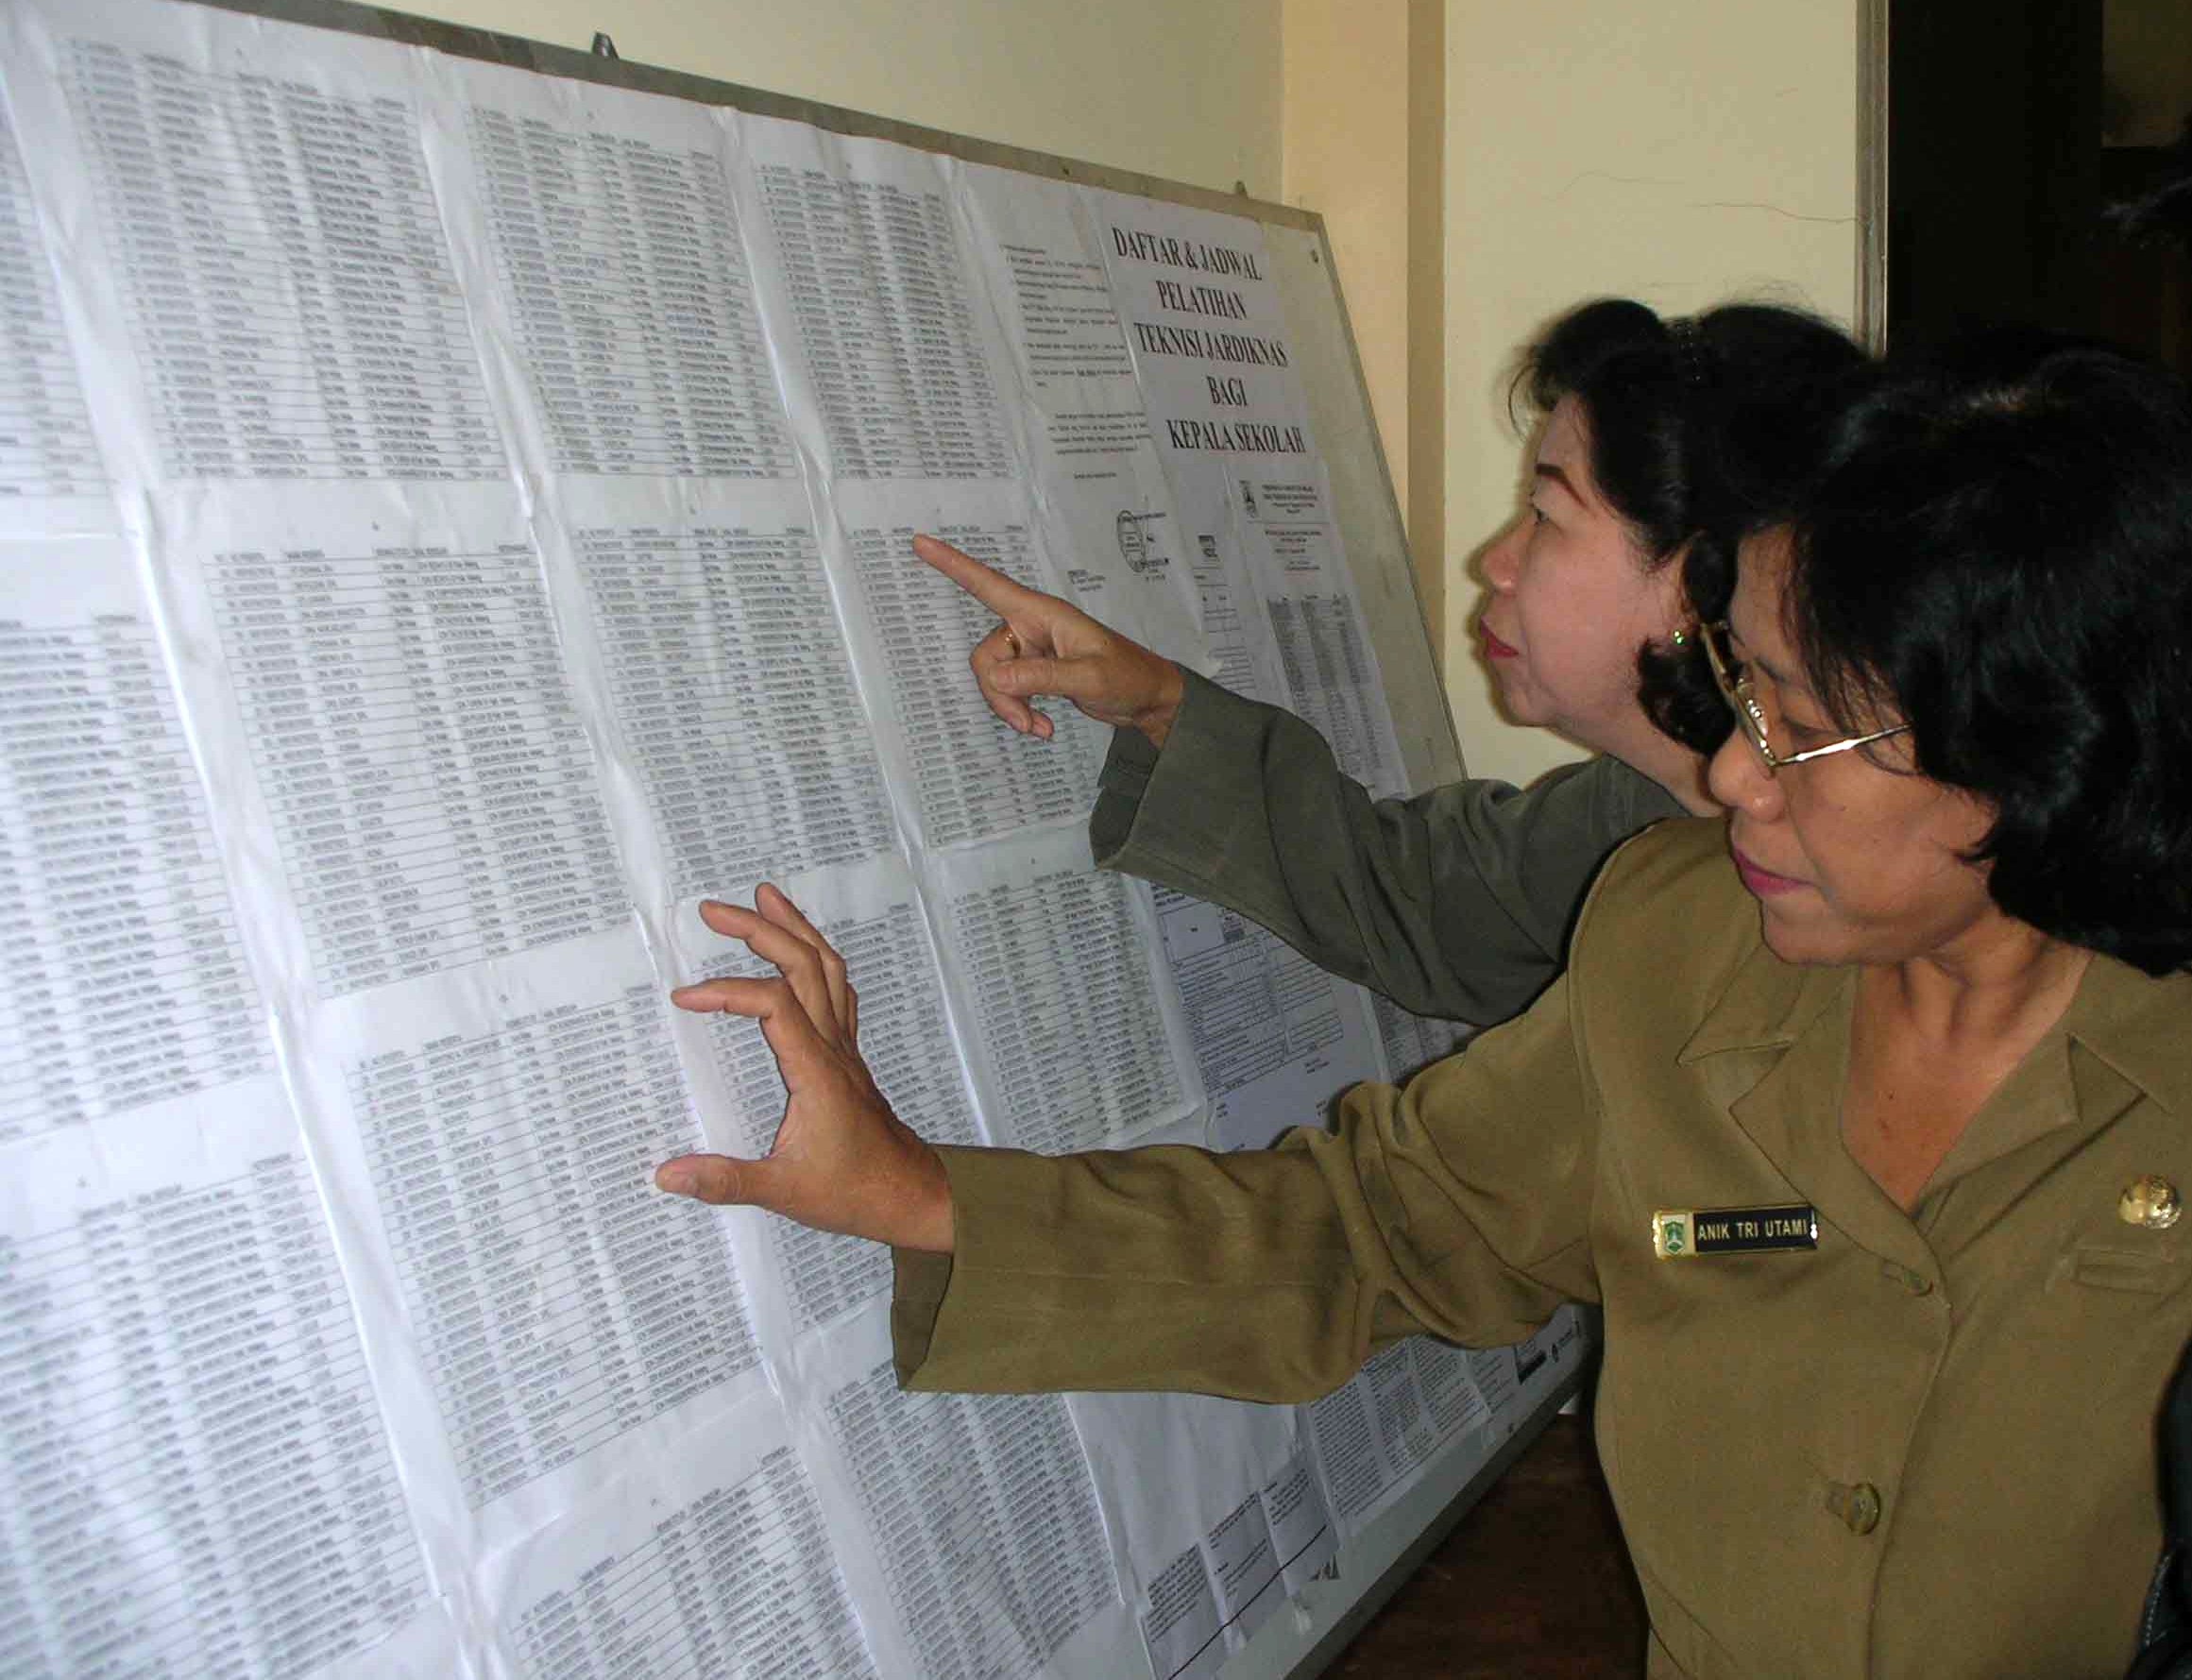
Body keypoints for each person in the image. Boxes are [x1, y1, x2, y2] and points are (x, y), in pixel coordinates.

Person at [655, 330, 2192, 1675]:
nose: (1731, 774)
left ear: (2032, 748)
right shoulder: (1676, 951)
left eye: (1801, 731)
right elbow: (1365, 1223)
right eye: (1745, 694)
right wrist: (923, 1192)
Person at [919, 297, 1866, 1027]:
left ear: (1696, 579)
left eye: (1544, 517)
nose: (1491, 563)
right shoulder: (1632, 813)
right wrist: (1162, 703)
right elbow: (1411, 893)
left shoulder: (1849, 900)